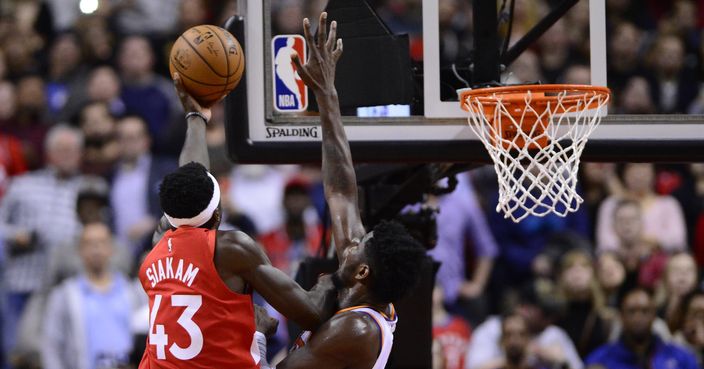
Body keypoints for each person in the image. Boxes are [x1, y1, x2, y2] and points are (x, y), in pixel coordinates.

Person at [256, 13, 427, 369]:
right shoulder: (363, 285)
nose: (350, 242)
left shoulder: (357, 328)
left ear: (362, 272)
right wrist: (327, 97)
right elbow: (341, 191)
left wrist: (255, 334)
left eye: (357, 247)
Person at [41, 222, 142, 369]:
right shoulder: (64, 295)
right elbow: (51, 346)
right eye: (89, 244)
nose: (96, 249)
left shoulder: (131, 292)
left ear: (111, 249)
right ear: (80, 250)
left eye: (101, 243)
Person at [585, 287, 698, 369]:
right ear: (621, 317)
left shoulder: (679, 356)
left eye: (645, 311)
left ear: (654, 316)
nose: (638, 318)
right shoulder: (600, 359)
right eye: (631, 311)